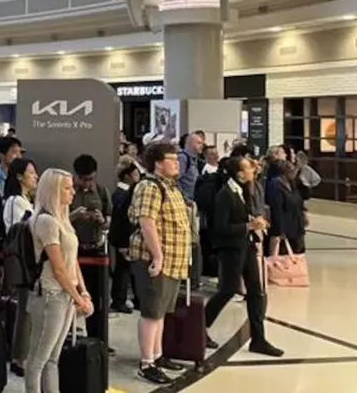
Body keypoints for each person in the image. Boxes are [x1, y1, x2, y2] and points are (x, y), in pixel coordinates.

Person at [204, 157, 284, 357]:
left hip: (246, 247)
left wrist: (255, 222)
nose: (253, 171)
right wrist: (248, 226)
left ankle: (258, 339)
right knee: (227, 290)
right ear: (239, 174)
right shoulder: (225, 195)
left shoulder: (242, 191)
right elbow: (220, 227)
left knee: (256, 292)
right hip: (231, 250)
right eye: (249, 168)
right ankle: (199, 326)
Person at [24, 168, 93, 393]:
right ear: (53, 190)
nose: (72, 191)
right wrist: (78, 297)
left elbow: (71, 262)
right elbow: (58, 268)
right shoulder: (46, 221)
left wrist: (82, 292)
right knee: (38, 359)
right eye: (67, 187)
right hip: (50, 294)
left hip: (64, 295)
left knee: (53, 358)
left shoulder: (62, 220)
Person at [129, 142, 193, 385]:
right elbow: (147, 223)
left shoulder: (171, 187)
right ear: (157, 163)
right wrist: (157, 256)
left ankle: (157, 355)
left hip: (173, 262)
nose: (177, 163)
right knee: (151, 313)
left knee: (161, 313)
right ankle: (147, 363)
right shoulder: (150, 187)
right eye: (171, 159)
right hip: (154, 261)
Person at [0, 157, 38, 375]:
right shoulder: (15, 202)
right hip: (22, 263)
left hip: (30, 262)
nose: (35, 176)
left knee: (28, 310)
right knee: (24, 310)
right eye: (31, 173)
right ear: (19, 177)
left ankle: (23, 353)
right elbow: (22, 233)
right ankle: (19, 356)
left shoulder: (25, 201)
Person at [110, 157, 141, 314]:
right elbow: (122, 220)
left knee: (129, 269)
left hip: (126, 237)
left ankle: (135, 299)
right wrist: (123, 243)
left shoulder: (123, 193)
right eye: (136, 173)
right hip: (124, 238)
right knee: (123, 270)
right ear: (128, 175)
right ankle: (118, 300)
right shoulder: (122, 194)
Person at [265, 160, 306, 255]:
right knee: (284, 256)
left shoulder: (292, 184)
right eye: (292, 170)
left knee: (298, 253)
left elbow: (300, 200)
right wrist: (280, 231)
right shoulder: (275, 185)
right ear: (284, 172)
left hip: (296, 225)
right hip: (285, 227)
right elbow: (277, 209)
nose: (294, 172)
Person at [178, 132, 204, 201]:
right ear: (190, 144)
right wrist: (184, 198)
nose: (202, 146)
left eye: (202, 143)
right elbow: (176, 180)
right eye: (198, 143)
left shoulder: (194, 159)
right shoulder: (182, 158)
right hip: (184, 200)